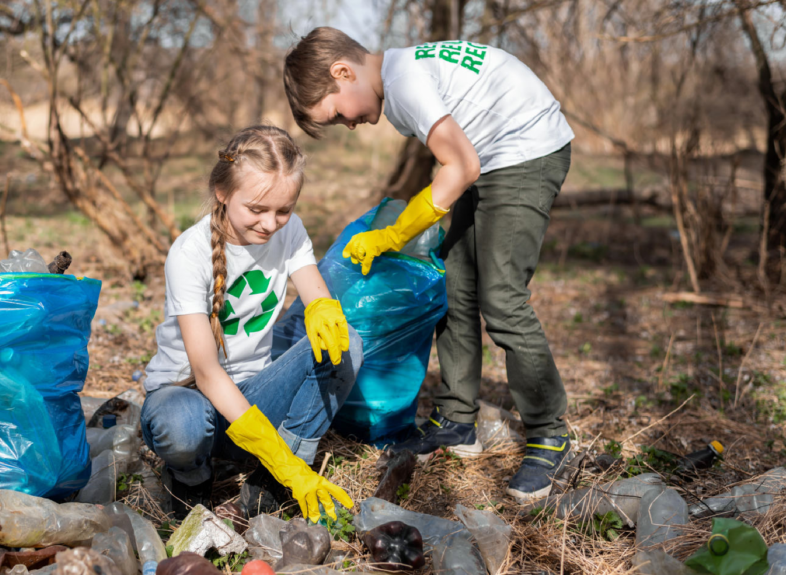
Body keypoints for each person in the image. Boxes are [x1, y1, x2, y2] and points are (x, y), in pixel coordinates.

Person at [283, 27, 575, 501]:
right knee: (453, 285)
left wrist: (394, 234)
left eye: (338, 114)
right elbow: (460, 162)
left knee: (501, 297)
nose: (350, 125)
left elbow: (460, 166)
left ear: (344, 72)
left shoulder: (402, 80)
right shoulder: (400, 77)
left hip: (525, 151)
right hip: (492, 153)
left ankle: (549, 433)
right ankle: (459, 419)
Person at [140, 125, 362, 520]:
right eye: (257, 210)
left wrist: (324, 308)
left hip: (254, 394)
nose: (270, 223)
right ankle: (192, 478)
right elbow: (206, 375)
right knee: (182, 426)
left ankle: (275, 478)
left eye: (283, 210)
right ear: (222, 192)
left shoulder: (289, 230)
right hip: (188, 396)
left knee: (347, 343)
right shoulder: (189, 255)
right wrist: (276, 453)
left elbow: (316, 295)